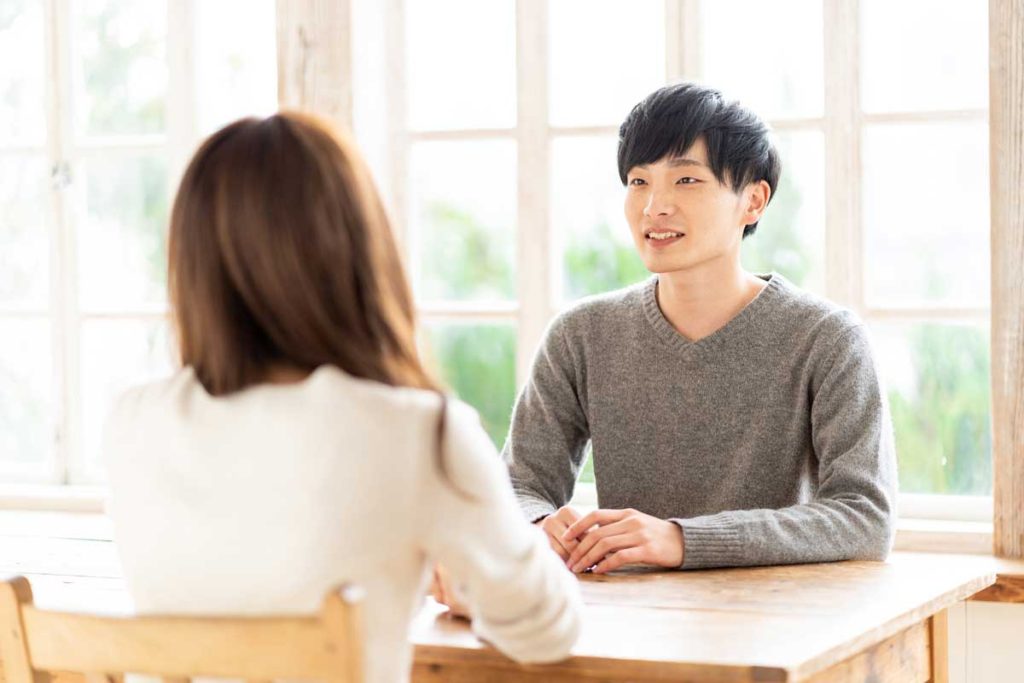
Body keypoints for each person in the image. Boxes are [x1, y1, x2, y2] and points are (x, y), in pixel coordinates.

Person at [102, 112, 581, 683]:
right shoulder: (418, 431)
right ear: (358, 248)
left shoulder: (131, 422)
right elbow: (544, 630)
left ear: (192, 264)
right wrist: (477, 576)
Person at [503, 82, 897, 574]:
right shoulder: (580, 336)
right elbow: (518, 486)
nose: (654, 207)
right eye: (638, 181)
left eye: (685, 181)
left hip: (779, 624)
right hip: (627, 619)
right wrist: (538, 523)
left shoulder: (827, 338)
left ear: (753, 201)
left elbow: (864, 517)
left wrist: (682, 540)